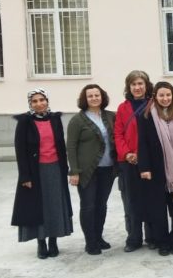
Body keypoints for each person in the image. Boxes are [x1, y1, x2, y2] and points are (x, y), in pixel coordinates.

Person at [12, 89, 73, 259]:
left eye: (42, 100)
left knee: (54, 205)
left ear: (47, 101)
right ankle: (41, 242)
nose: (39, 104)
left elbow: (61, 146)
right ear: (30, 104)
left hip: (55, 169)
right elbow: (20, 150)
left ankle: (53, 241)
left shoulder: (55, 119)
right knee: (40, 207)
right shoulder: (25, 121)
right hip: (36, 171)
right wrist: (25, 176)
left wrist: (65, 168)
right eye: (35, 101)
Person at [137, 82, 173, 256]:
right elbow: (142, 144)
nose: (165, 98)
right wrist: (144, 167)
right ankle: (163, 242)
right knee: (158, 211)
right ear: (155, 97)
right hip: (157, 172)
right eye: (161, 95)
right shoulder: (146, 117)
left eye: (168, 95)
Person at [67, 84, 117, 255]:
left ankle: (99, 237)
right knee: (88, 206)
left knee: (101, 205)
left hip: (107, 168)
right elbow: (71, 147)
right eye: (90, 96)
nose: (94, 98)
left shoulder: (111, 116)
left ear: (102, 97)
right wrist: (73, 171)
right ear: (85, 99)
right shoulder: (77, 120)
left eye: (97, 95)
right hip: (87, 170)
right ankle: (90, 242)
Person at [114, 70, 155, 252]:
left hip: (149, 160)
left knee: (150, 198)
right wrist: (127, 153)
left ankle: (152, 236)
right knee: (131, 201)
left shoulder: (153, 106)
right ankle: (133, 238)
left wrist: (143, 154)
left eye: (140, 84)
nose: (137, 87)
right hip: (128, 162)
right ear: (128, 87)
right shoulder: (123, 108)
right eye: (134, 84)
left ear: (146, 86)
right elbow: (118, 133)